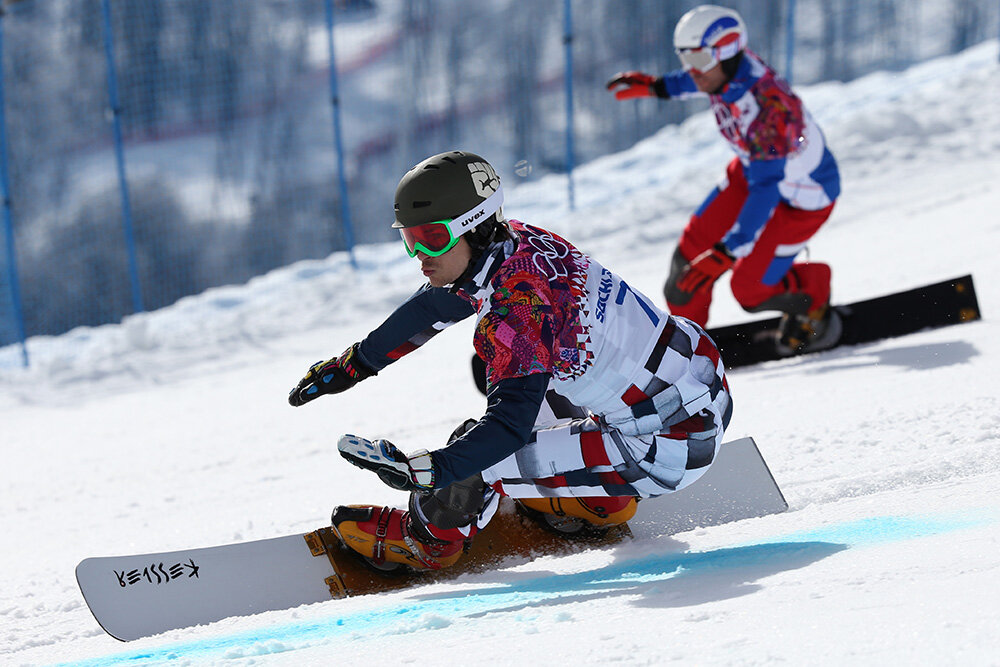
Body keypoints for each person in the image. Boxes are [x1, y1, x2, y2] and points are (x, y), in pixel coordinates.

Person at [287, 150, 732, 572]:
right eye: (410, 239)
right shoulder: (519, 241)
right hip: (696, 379)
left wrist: (428, 473)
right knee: (510, 372)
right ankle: (589, 496)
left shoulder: (517, 310)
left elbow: (507, 428)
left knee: (479, 455)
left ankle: (430, 540)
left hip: (663, 449)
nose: (420, 254)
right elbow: (437, 305)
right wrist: (357, 362)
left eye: (433, 238)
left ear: (473, 225)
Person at [607, 5, 842, 354]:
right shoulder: (725, 72)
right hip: (755, 171)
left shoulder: (768, 110)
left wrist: (730, 249)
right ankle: (690, 350)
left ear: (727, 51)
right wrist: (660, 86)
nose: (693, 70)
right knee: (687, 272)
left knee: (750, 290)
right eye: (685, 58)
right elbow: (700, 79)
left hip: (803, 199)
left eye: (699, 58)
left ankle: (814, 295)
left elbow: (767, 189)